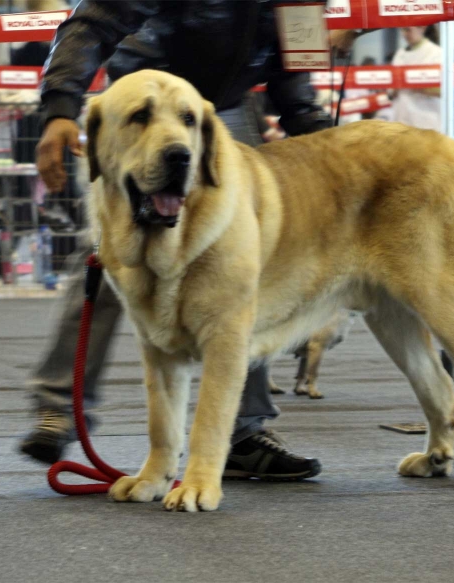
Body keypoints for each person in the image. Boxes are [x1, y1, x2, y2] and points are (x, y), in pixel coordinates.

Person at [19, 0, 332, 481]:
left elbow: (295, 60)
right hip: (141, 105)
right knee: (109, 259)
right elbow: (91, 23)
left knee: (243, 272)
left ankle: (243, 432)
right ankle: (59, 408)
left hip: (220, 115)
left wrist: (318, 139)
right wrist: (61, 106)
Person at [389, 26, 442, 131]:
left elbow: (442, 91)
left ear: (422, 28)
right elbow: (391, 91)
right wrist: (394, 88)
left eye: (408, 30)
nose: (404, 34)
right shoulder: (399, 55)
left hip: (426, 122)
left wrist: (410, 84)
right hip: (401, 121)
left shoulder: (436, 53)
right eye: (402, 30)